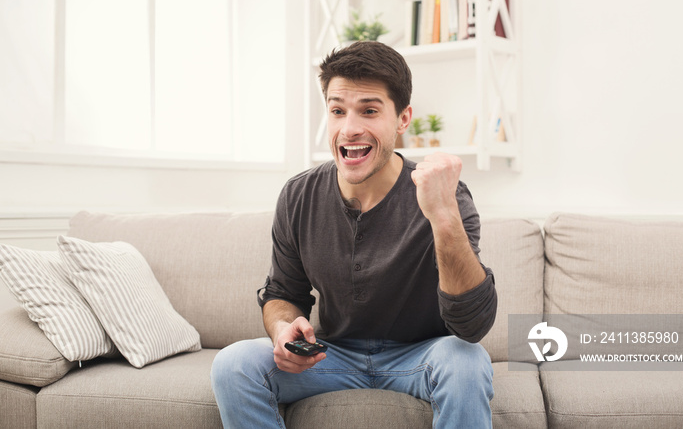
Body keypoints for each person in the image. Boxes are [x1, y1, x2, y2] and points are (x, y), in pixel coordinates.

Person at [211, 41, 497, 428]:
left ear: (403, 118)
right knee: (234, 364)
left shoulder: (445, 193)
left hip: (422, 356)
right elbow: (283, 294)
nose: (349, 129)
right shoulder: (299, 195)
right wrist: (283, 328)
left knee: (468, 360)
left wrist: (443, 216)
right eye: (337, 110)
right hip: (331, 356)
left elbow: (472, 327)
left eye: (369, 110)